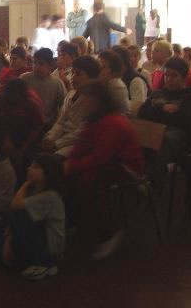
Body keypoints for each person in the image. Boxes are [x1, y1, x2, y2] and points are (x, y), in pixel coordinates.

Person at [65, 81, 142, 258]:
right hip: (110, 161)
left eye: (87, 97)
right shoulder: (94, 119)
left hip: (127, 166)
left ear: (98, 100)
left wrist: (72, 165)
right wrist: (70, 162)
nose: (83, 101)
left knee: (90, 179)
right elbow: (82, 145)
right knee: (69, 174)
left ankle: (110, 232)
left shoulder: (113, 122)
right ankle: (75, 220)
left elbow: (101, 156)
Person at [0, 153, 65, 280]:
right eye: (30, 165)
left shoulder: (51, 195)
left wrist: (25, 184)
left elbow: (15, 205)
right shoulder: (33, 189)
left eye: (35, 167)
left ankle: (47, 263)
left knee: (21, 213)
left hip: (49, 244)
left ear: (48, 173)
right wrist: (9, 239)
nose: (29, 168)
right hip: (30, 236)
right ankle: (27, 257)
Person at [138, 57, 191, 187]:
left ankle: (153, 184)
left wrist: (156, 113)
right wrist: (162, 108)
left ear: (184, 78)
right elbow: (142, 113)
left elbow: (182, 121)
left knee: (163, 139)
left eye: (174, 75)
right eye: (167, 75)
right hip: (155, 133)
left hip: (179, 140)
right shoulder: (158, 93)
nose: (169, 79)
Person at [0, 79, 45, 179]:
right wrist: (4, 138)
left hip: (27, 132)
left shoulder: (33, 102)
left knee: (28, 157)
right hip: (1, 128)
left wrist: (22, 150)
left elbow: (38, 126)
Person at [43, 55, 101, 157]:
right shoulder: (70, 95)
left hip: (76, 144)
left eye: (79, 74)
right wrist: (50, 138)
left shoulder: (93, 101)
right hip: (60, 138)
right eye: (73, 73)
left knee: (48, 160)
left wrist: (57, 144)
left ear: (92, 78)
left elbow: (81, 132)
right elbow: (60, 122)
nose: (73, 77)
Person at [20, 48, 66, 128]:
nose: (36, 67)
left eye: (41, 64)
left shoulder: (57, 83)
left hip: (46, 125)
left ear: (50, 66)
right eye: (35, 63)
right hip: (25, 122)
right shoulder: (24, 78)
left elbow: (63, 106)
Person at [98, 50, 130, 115]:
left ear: (111, 69)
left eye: (103, 66)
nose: (98, 69)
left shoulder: (115, 86)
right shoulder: (106, 82)